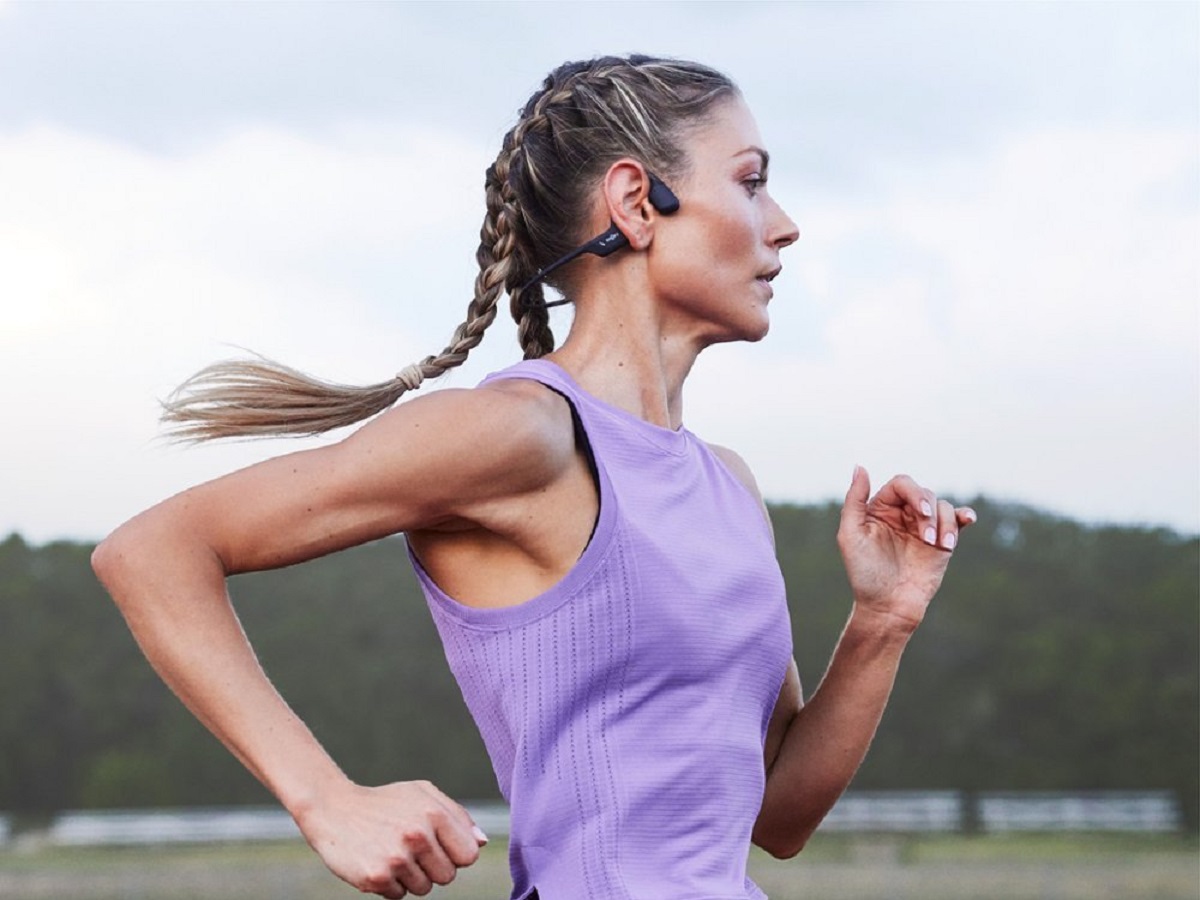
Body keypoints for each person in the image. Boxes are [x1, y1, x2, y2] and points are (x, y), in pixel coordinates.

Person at [92, 54, 976, 900]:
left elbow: (775, 814)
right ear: (637, 201)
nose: (783, 223)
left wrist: (881, 623)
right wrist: (326, 800)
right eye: (750, 181)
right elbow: (152, 552)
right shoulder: (521, 436)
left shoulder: (728, 488)